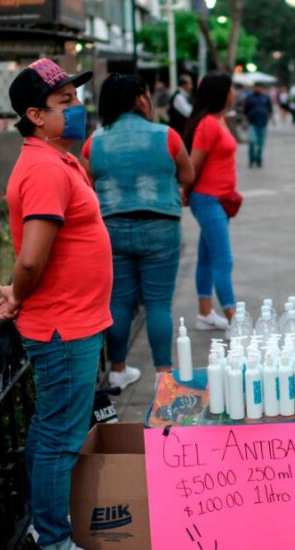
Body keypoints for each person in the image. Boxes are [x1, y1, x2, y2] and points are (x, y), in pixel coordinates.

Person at [0, 58, 113, 550]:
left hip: (72, 319)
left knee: (50, 430)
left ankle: (45, 523)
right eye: (65, 102)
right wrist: (18, 294)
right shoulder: (43, 168)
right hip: (65, 327)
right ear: (36, 115)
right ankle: (54, 538)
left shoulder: (59, 159)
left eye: (76, 98)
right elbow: (32, 257)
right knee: (61, 437)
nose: (78, 109)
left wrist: (18, 295)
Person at [81, 74, 194, 382]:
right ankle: (163, 373)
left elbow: (87, 186)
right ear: (139, 99)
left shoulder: (94, 142)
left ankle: (117, 370)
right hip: (161, 226)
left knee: (119, 302)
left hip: (112, 229)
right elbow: (188, 174)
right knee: (159, 303)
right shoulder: (166, 135)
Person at [183, 72, 238, 329]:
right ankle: (234, 321)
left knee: (206, 256)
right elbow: (193, 166)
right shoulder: (208, 124)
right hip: (207, 199)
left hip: (221, 199)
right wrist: (184, 192)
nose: (234, 93)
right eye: (231, 89)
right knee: (223, 260)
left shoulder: (220, 119)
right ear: (222, 93)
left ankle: (205, 314)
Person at [244, 83, 273, 168]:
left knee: (261, 143)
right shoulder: (249, 98)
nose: (258, 89)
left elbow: (269, 110)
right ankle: (251, 159)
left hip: (263, 122)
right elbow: (245, 111)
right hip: (252, 122)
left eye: (259, 87)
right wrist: (245, 121)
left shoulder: (265, 98)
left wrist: (271, 120)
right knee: (252, 141)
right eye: (256, 87)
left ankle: (259, 159)